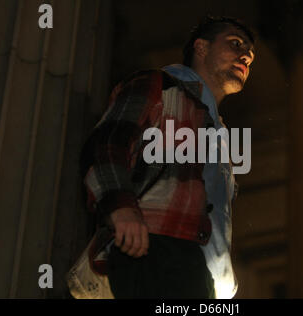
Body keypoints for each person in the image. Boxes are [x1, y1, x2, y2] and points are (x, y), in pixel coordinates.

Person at [80, 15, 255, 299]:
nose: (246, 55)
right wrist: (121, 209)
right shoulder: (160, 87)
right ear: (201, 48)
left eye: (250, 55)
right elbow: (107, 143)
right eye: (235, 44)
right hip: (155, 250)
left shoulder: (219, 135)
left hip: (199, 276)